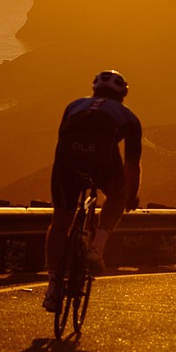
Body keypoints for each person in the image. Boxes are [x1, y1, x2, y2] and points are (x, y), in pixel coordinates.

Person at [43, 69, 142, 312]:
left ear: (94, 89)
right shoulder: (129, 117)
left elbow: (62, 139)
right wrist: (130, 195)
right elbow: (131, 165)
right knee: (118, 195)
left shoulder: (74, 105)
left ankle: (53, 286)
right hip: (103, 163)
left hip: (67, 162)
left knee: (60, 221)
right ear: (123, 95)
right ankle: (97, 247)